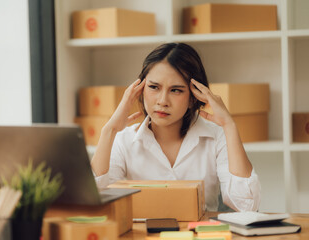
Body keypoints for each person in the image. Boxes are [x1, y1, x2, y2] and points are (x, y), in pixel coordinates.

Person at [91, 42, 261, 211]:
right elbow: (97, 203)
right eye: (154, 87)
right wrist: (109, 131)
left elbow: (246, 206)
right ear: (140, 89)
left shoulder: (216, 136)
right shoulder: (123, 139)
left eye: (176, 90)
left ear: (194, 97)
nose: (162, 101)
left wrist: (229, 125)